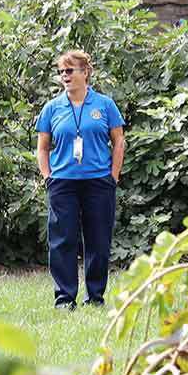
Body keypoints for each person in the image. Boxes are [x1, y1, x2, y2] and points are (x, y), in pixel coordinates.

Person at [34, 49, 125, 311]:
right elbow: (43, 147)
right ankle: (65, 299)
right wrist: (47, 177)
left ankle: (95, 297)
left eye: (70, 70)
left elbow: (118, 141)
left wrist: (113, 177)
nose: (64, 75)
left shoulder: (104, 105)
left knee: (98, 241)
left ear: (85, 72)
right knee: (62, 241)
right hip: (63, 183)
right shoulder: (52, 108)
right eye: (61, 71)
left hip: (98, 182)